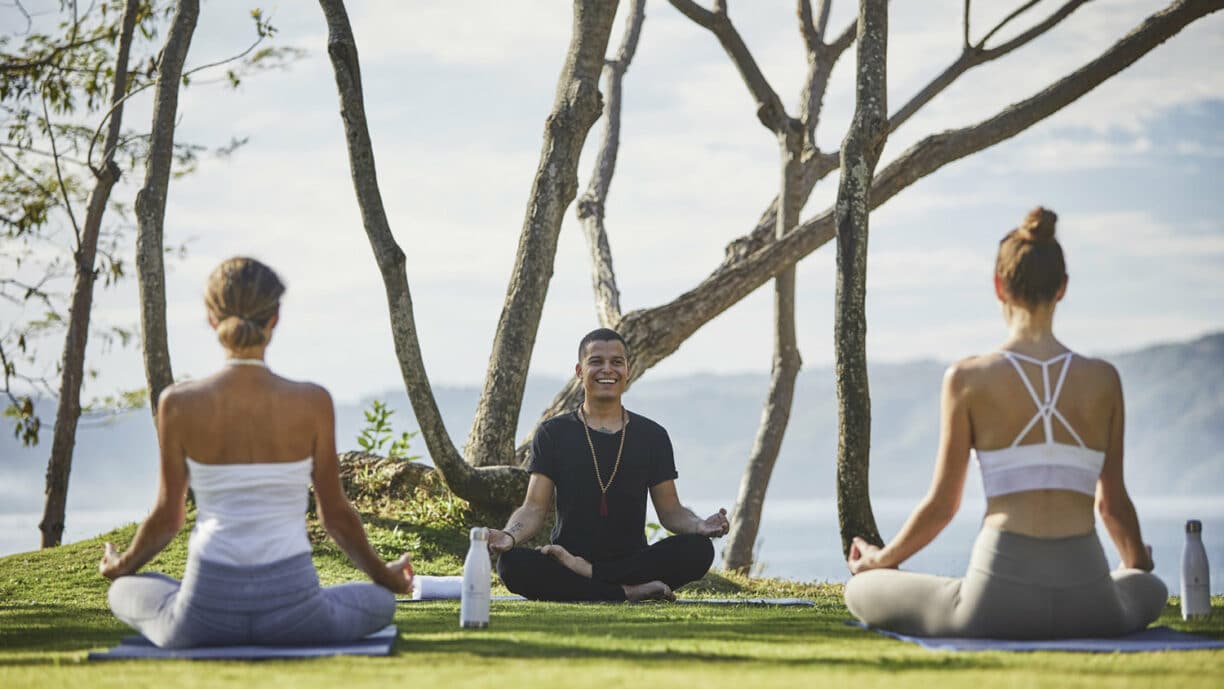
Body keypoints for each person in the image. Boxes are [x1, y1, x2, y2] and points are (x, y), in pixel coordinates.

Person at [843, 208, 1167, 639]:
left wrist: (879, 561)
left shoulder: (967, 379)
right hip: (1090, 603)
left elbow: (943, 506)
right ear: (1063, 289)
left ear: (999, 286)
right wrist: (1136, 564)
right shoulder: (1104, 380)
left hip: (994, 604)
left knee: (861, 588)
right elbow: (1112, 505)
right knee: (1150, 586)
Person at [99, 257, 413, 649]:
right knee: (380, 602)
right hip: (297, 616)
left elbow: (168, 517)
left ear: (212, 319)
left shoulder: (177, 403)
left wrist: (121, 564)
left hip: (202, 617)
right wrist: (386, 576)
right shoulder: (312, 402)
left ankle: (174, 594)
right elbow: (335, 515)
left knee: (125, 589)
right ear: (275, 318)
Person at [488, 328, 729, 602]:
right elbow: (533, 507)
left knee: (699, 550)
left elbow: (671, 511)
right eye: (596, 362)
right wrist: (509, 536)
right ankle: (626, 592)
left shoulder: (652, 435)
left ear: (628, 370)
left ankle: (596, 578)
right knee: (511, 564)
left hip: (632, 563)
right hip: (567, 560)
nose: (607, 369)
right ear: (580, 371)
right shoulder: (553, 433)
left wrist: (700, 526)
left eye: (616, 362)